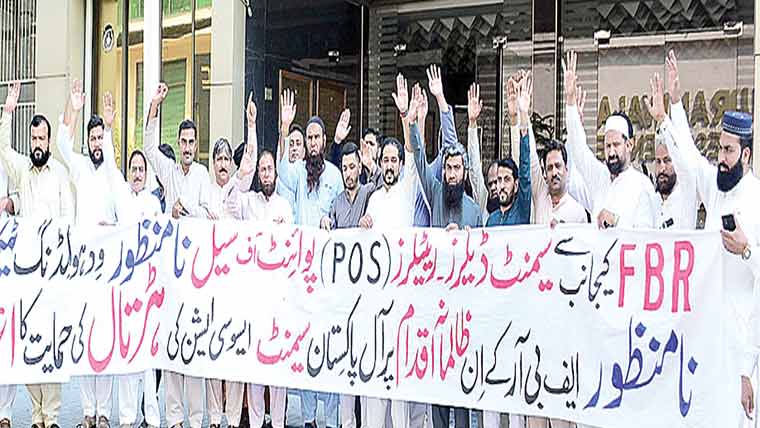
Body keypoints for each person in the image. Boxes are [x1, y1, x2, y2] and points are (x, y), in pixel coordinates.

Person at [652, 69, 760, 427]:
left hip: (746, 349)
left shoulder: (756, 199)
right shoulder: (716, 187)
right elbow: (690, 157)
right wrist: (673, 106)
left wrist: (747, 250)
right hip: (711, 340)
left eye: (729, 151)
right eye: (720, 149)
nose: (722, 158)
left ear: (746, 154)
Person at [0, 81, 73, 428]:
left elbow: (69, 220)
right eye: (34, 139)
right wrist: (9, 110)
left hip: (53, 275)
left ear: (49, 140)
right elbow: (3, 147)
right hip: (27, 276)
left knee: (52, 342)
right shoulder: (22, 171)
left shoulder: (59, 174)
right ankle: (36, 414)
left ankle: (52, 415)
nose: (38, 144)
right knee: (29, 342)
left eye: (42, 139)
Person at [408, 78, 480, 428]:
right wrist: (413, 121)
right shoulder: (435, 192)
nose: (451, 174)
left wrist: (442, 102)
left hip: (464, 309)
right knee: (438, 384)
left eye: (456, 169)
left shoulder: (475, 211)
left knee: (461, 390)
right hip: (436, 305)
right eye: (448, 168)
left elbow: (484, 258)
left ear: (464, 173)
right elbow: (420, 158)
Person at [143, 82, 210, 428]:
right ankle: (173, 419)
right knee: (171, 347)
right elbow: (147, 146)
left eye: (190, 142)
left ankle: (196, 419)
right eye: (182, 141)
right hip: (171, 273)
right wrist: (155, 106)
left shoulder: (202, 175)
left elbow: (212, 218)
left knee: (193, 351)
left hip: (196, 275)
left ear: (197, 145)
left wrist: (187, 210)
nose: (185, 147)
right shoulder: (168, 170)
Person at [360, 74, 425, 428]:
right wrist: (364, 226)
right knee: (374, 391)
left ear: (399, 164)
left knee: (398, 391)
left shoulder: (407, 190)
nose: (388, 165)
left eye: (393, 160)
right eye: (384, 160)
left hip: (401, 303)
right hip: (374, 304)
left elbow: (414, 152)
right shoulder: (372, 199)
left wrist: (405, 116)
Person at [276, 88, 343, 428]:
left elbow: (342, 214)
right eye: (309, 138)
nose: (313, 143)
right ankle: (308, 418)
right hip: (302, 275)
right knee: (305, 346)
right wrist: (284, 128)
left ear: (324, 140)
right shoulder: (298, 172)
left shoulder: (335, 175)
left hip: (328, 275)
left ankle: (329, 419)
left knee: (327, 347)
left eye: (317, 137)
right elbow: (279, 169)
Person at [56, 80, 120, 428]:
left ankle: (104, 412)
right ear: (88, 142)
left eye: (100, 138)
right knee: (84, 337)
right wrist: (74, 108)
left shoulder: (113, 174)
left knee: (105, 337)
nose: (97, 143)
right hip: (83, 268)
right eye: (93, 138)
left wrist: (109, 126)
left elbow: (124, 218)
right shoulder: (79, 167)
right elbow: (61, 143)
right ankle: (87, 413)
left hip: (107, 270)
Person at [224, 148, 292, 428]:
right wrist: (241, 174)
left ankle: (277, 423)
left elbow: (294, 249)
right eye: (262, 170)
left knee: (277, 373)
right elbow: (228, 200)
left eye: (269, 169)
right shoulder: (248, 202)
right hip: (253, 301)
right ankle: (254, 422)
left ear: (275, 173)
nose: (266, 174)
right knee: (254, 370)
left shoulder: (285, 207)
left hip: (278, 302)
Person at [562, 51, 659, 229]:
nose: (611, 152)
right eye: (607, 146)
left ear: (629, 144)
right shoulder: (600, 177)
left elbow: (647, 235)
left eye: (616, 145)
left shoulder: (642, 185)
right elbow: (577, 147)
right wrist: (570, 101)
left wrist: (616, 221)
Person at [650, 49, 698, 230]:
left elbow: (684, 154)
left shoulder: (687, 191)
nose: (662, 168)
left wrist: (672, 106)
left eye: (668, 160)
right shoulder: (652, 201)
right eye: (658, 161)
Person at [484, 74, 531, 228]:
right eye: (499, 180)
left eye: (507, 179)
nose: (501, 185)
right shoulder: (491, 220)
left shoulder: (522, 211)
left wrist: (522, 114)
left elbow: (525, 170)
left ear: (516, 186)